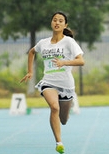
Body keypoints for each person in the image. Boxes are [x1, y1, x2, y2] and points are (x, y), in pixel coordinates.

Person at [20, 11, 85, 154]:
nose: (57, 22)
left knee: (64, 119)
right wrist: (30, 71)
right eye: (55, 20)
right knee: (54, 108)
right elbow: (31, 52)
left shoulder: (69, 42)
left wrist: (64, 62)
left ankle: (63, 115)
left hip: (66, 85)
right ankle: (59, 142)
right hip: (48, 82)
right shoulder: (43, 43)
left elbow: (81, 61)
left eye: (60, 21)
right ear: (51, 23)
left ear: (65, 25)